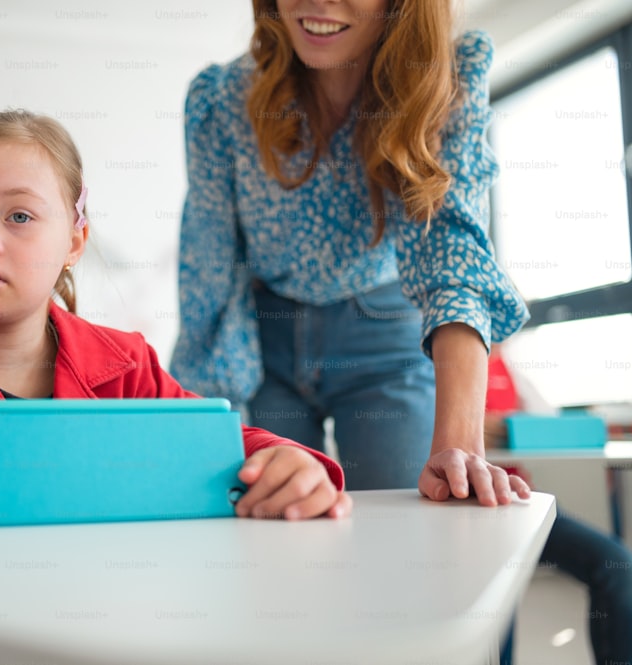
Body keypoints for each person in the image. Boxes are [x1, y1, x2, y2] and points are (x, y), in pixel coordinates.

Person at [0, 109, 353, 665]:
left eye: (19, 217)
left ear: (74, 241)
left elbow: (208, 442)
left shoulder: (124, 363)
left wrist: (291, 461)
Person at [170, 0, 531, 505]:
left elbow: (453, 249)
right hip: (266, 345)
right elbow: (208, 270)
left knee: (410, 527)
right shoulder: (221, 100)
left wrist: (458, 441)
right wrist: (196, 426)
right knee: (277, 528)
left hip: (387, 338)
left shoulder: (445, 77)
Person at [485, 344, 632, 665]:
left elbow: (551, 426)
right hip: (474, 512)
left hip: (521, 503)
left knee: (617, 565)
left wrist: (506, 428)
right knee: (498, 610)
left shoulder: (509, 371)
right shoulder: (432, 364)